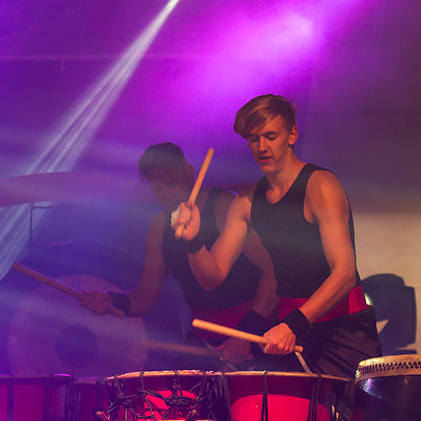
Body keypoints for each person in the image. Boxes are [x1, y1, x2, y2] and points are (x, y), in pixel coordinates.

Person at [172, 95, 382, 380]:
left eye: (270, 137)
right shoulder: (247, 201)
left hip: (343, 330)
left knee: (356, 404)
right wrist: (193, 241)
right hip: (290, 331)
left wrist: (292, 325)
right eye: (254, 139)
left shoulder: (321, 186)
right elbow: (212, 277)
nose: (262, 147)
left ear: (292, 135)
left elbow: (344, 274)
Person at [80, 142, 278, 369]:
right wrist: (111, 300)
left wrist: (247, 332)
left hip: (257, 334)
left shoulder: (225, 207)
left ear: (190, 173)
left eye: (172, 184)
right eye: (159, 190)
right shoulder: (159, 228)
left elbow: (275, 270)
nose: (168, 195)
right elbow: (145, 297)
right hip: (204, 338)